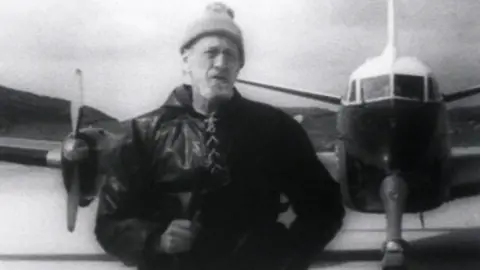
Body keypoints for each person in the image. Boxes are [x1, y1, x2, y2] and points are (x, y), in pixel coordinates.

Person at [94, 2, 345, 270]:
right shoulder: (142, 133)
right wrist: (156, 240)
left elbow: (324, 207)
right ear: (186, 60)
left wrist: (284, 257)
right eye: (211, 53)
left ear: (239, 67)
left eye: (231, 55)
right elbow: (110, 222)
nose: (222, 63)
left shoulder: (275, 128)